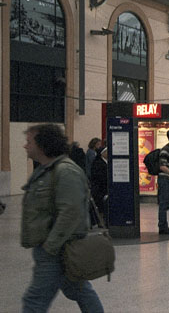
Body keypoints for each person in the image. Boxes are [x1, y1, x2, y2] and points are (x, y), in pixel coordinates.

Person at [21, 124, 104, 312]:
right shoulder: (45, 171)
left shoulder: (66, 172)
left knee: (34, 300)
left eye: (29, 142)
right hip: (53, 247)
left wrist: (50, 246)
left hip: (58, 249)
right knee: (79, 290)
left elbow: (70, 212)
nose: (25, 146)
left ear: (42, 145)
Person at [89, 147, 109, 225]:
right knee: (100, 206)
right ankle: (100, 222)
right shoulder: (98, 163)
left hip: (103, 187)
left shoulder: (106, 162)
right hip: (99, 188)